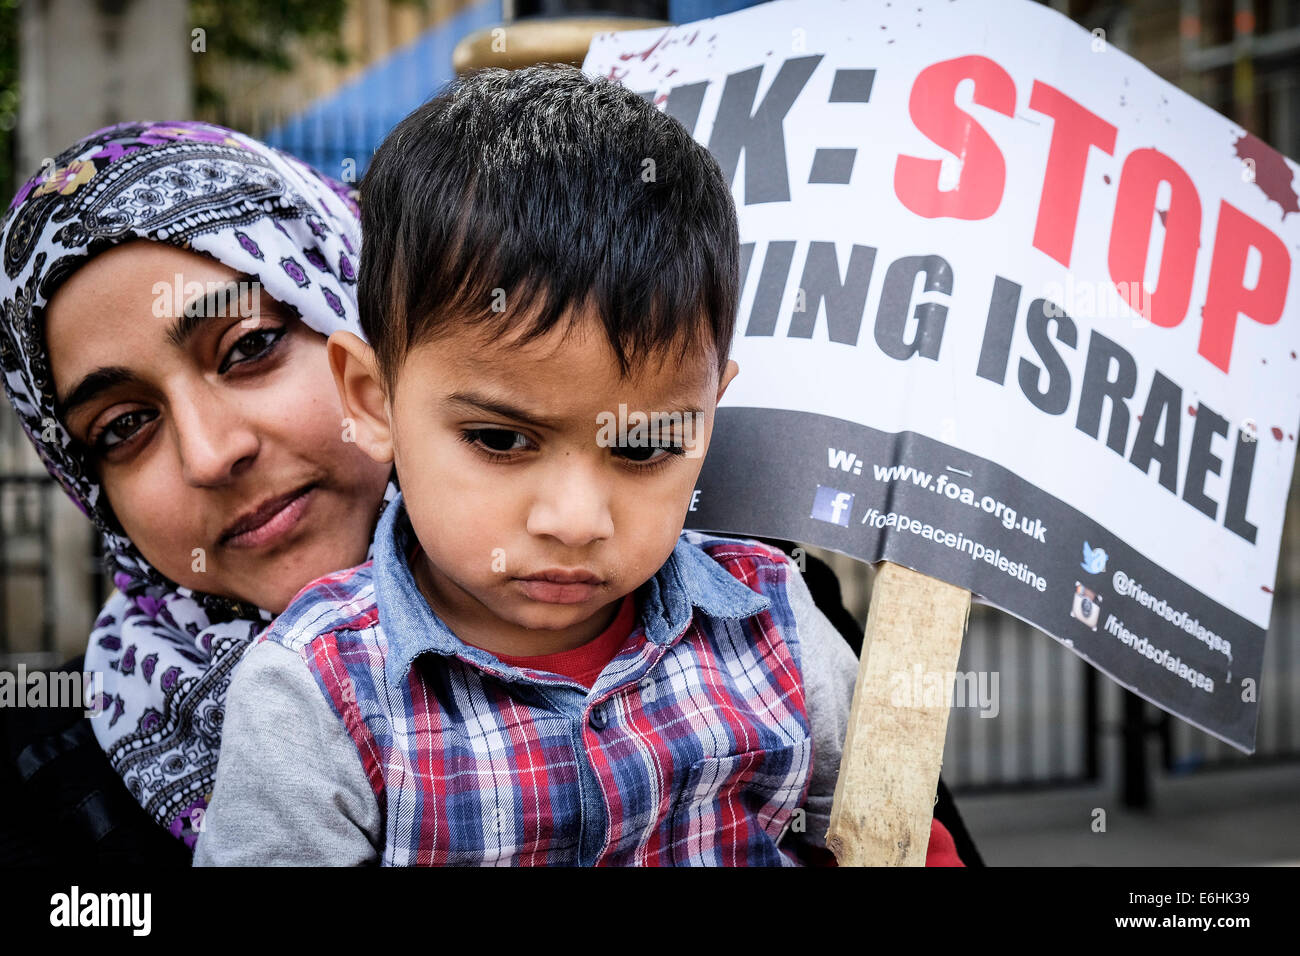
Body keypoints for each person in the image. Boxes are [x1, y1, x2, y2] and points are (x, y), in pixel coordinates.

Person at [194, 65, 967, 866]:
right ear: (371, 399)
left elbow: (892, 832)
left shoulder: (779, 628)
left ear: (708, 414)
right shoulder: (319, 695)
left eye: (642, 447)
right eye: (499, 440)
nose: (574, 521)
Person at [0, 121, 394, 859]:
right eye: (123, 427)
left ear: (362, 320)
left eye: (249, 346)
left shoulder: (640, 631)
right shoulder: (41, 792)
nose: (211, 454)